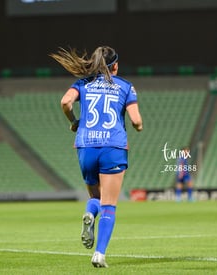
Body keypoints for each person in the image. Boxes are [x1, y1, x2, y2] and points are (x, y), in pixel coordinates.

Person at [51, 46, 143, 268]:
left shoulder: (83, 83)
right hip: (113, 146)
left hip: (86, 146)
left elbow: (65, 102)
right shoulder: (124, 86)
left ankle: (90, 214)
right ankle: (99, 254)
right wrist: (137, 127)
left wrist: (74, 121)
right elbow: (136, 121)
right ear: (115, 65)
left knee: (96, 197)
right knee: (109, 205)